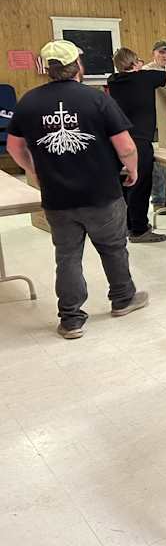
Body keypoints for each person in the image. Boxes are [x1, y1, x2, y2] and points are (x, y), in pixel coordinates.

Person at [6, 40, 149, 339]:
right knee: (112, 248)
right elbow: (125, 146)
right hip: (102, 194)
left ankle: (71, 319)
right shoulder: (96, 99)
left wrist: (33, 171)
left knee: (67, 256)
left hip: (57, 197)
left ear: (48, 69)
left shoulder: (29, 102)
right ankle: (123, 299)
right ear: (78, 66)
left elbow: (14, 147)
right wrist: (133, 169)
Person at [107, 47, 166, 242]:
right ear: (134, 64)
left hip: (116, 140)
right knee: (141, 185)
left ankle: (127, 225)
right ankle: (140, 230)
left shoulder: (113, 81)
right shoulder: (144, 78)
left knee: (125, 186)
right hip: (139, 142)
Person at [144, 39, 166, 212]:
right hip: (155, 123)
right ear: (154, 53)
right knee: (159, 166)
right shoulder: (146, 71)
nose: (165, 56)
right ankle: (159, 199)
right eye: (161, 52)